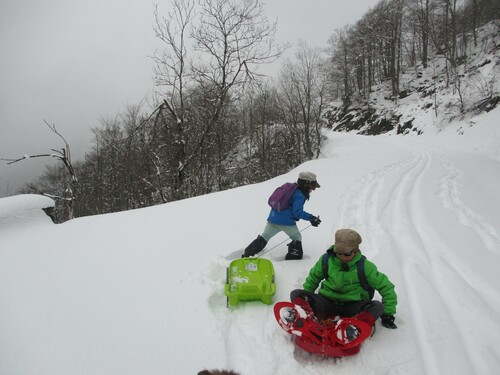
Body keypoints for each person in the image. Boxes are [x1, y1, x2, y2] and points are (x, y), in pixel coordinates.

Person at [290, 228, 398, 339]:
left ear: (355, 251)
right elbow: (313, 278)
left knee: (377, 306)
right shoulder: (327, 260)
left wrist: (387, 314)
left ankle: (353, 327)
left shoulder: (365, 267)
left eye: (346, 254)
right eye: (338, 253)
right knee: (297, 294)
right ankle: (307, 320)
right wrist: (307, 301)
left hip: (353, 306)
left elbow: (386, 287)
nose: (342, 257)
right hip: (327, 302)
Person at [242, 172, 322, 260]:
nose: (313, 189)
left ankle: (247, 254)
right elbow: (297, 212)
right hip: (286, 223)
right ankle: (293, 259)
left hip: (272, 219)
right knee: (297, 238)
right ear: (306, 184)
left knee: (264, 237)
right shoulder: (299, 195)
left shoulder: (290, 188)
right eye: (312, 186)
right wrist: (311, 218)